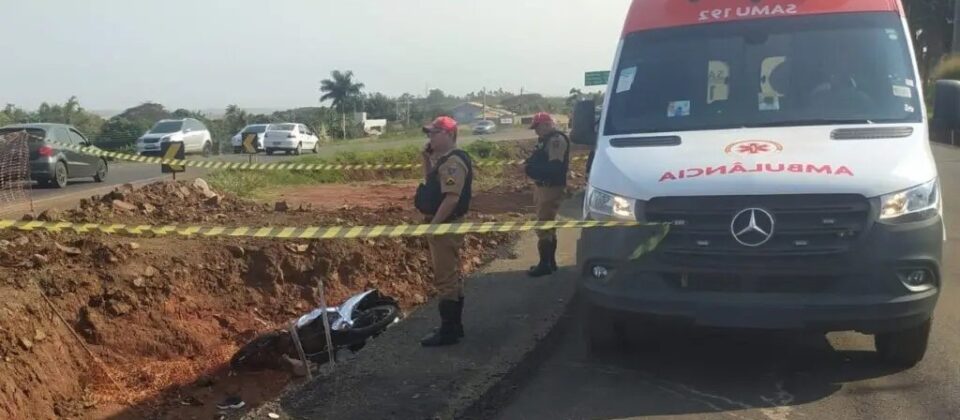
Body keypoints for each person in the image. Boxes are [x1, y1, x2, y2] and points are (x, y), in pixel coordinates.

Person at [414, 116, 473, 347]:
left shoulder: (452, 163)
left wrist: (434, 226)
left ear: (449, 134)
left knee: (445, 278)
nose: (430, 137)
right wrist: (426, 159)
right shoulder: (443, 160)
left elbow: (451, 198)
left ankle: (448, 331)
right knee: (451, 275)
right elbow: (431, 184)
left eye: (434, 133)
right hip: (445, 223)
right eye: (429, 133)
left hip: (446, 225)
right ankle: (454, 327)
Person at [524, 112, 570, 277]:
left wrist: (532, 169)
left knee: (544, 226)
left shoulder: (556, 140)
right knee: (547, 225)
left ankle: (545, 264)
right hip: (543, 187)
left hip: (551, 188)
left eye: (538, 127)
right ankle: (550, 263)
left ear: (547, 125)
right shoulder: (546, 141)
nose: (536, 131)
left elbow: (554, 167)